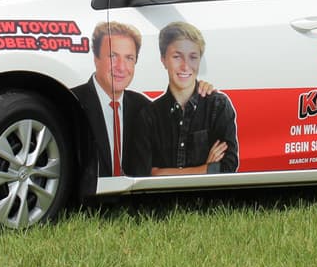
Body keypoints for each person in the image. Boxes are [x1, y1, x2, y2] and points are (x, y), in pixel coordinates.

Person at [127, 21, 238, 176]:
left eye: (193, 57)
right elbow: (142, 173)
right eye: (177, 57)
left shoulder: (218, 106)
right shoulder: (149, 116)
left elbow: (227, 166)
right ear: (163, 59)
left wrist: (161, 172)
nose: (185, 66)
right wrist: (205, 169)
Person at [71, 22, 151, 181]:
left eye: (129, 58)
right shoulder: (72, 103)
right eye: (113, 56)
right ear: (96, 59)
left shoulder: (143, 107)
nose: (121, 67)